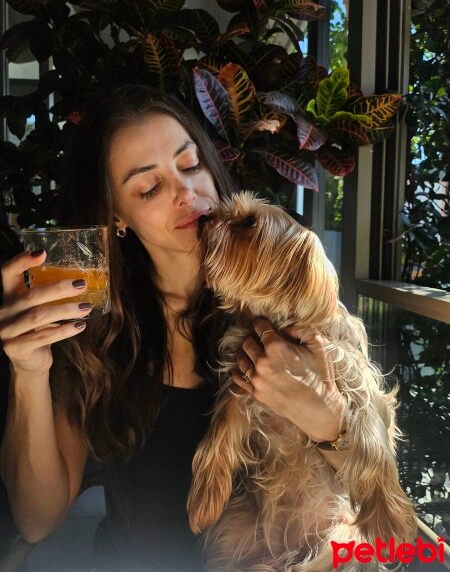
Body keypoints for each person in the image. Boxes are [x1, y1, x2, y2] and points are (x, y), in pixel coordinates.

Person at [0, 85, 414, 572]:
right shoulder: (94, 331)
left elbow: (387, 528)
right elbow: (37, 521)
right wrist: (27, 370)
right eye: (149, 188)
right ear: (116, 217)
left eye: (190, 164)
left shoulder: (286, 302)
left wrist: (330, 424)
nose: (187, 193)